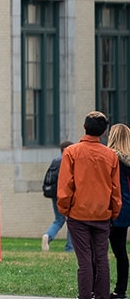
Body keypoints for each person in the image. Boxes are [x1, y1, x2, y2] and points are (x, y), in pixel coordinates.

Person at [58, 111, 122, 299]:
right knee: (102, 258)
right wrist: (114, 211)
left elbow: (65, 186)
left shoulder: (71, 152)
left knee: (84, 260)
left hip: (78, 214)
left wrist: (64, 209)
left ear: (85, 127)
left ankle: (85, 295)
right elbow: (115, 188)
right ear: (103, 132)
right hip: (103, 214)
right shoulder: (110, 156)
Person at [108, 123, 130, 299]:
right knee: (121, 252)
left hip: (112, 208)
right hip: (127, 209)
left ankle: (96, 287)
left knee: (98, 251)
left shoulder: (111, 158)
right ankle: (120, 290)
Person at [42, 141, 74, 252]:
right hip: (66, 194)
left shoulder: (55, 161)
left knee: (59, 219)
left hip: (55, 194)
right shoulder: (69, 161)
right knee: (72, 219)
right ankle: (70, 248)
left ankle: (48, 235)